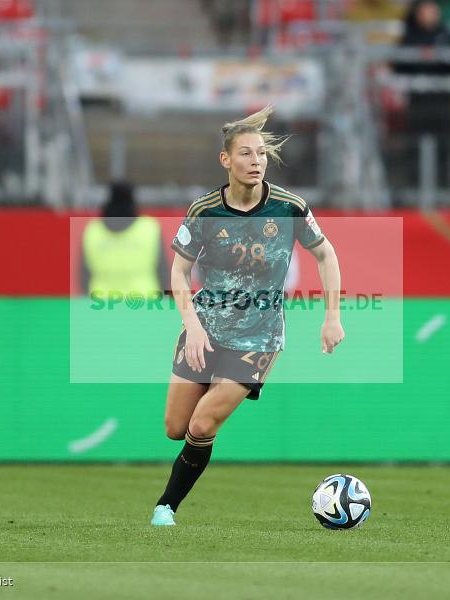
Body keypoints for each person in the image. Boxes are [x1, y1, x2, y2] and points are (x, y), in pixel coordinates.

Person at [151, 105, 344, 527]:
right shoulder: (204, 210)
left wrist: (332, 316)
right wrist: (192, 326)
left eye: (261, 154)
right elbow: (179, 271)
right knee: (175, 426)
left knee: (202, 424)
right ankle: (179, 478)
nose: (256, 162)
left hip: (259, 336)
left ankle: (166, 507)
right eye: (246, 154)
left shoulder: (289, 207)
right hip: (205, 328)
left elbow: (326, 254)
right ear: (226, 160)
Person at [394, 0, 450, 188]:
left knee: (443, 145)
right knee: (415, 145)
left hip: (441, 99)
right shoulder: (410, 35)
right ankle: (415, 186)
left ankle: (444, 186)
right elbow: (400, 65)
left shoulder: (446, 34)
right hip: (418, 99)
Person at [81, 181, 169, 298]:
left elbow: (83, 274)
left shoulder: (93, 231)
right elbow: (163, 270)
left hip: (103, 304)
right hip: (144, 303)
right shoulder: (149, 228)